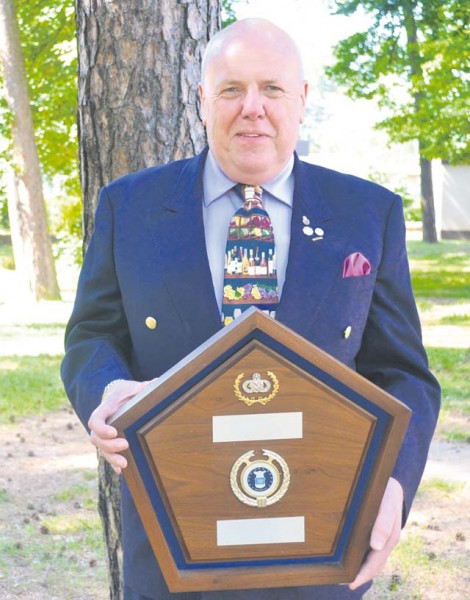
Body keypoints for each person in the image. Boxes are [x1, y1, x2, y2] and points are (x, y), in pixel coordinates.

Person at [61, 17, 440, 600]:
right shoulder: (129, 207)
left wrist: (393, 484)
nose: (252, 108)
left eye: (273, 89)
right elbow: (91, 336)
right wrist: (104, 389)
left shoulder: (369, 213)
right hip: (172, 540)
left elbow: (404, 373)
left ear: (303, 100)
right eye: (232, 90)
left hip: (323, 540)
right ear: (202, 101)